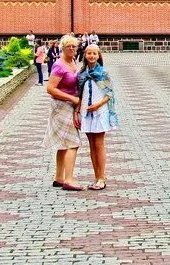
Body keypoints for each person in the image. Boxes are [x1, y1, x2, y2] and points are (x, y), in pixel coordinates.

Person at [44, 34, 83, 191]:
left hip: (69, 105)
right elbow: (50, 88)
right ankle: (69, 179)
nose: (72, 49)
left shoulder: (72, 61)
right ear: (63, 48)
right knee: (72, 142)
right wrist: (72, 99)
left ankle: (59, 177)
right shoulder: (59, 65)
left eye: (74, 46)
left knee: (62, 143)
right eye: (69, 47)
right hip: (61, 106)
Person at [77, 44, 117, 190]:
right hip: (86, 113)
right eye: (89, 53)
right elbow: (79, 95)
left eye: (94, 53)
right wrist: (77, 112)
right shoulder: (82, 74)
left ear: (99, 55)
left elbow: (109, 94)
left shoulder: (103, 72)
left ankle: (102, 178)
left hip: (99, 112)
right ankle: (96, 176)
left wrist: (98, 105)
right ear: (85, 56)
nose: (92, 56)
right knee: (91, 145)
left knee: (99, 144)